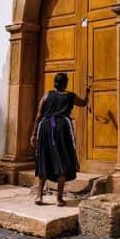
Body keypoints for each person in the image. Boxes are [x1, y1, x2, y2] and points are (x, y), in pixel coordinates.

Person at [30, 72, 89, 206]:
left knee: (44, 159)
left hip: (45, 127)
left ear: (54, 83)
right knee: (62, 158)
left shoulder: (46, 95)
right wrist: (87, 93)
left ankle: (39, 196)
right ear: (65, 83)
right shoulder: (70, 96)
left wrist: (33, 134)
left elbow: (39, 115)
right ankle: (59, 199)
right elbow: (84, 103)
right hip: (61, 128)